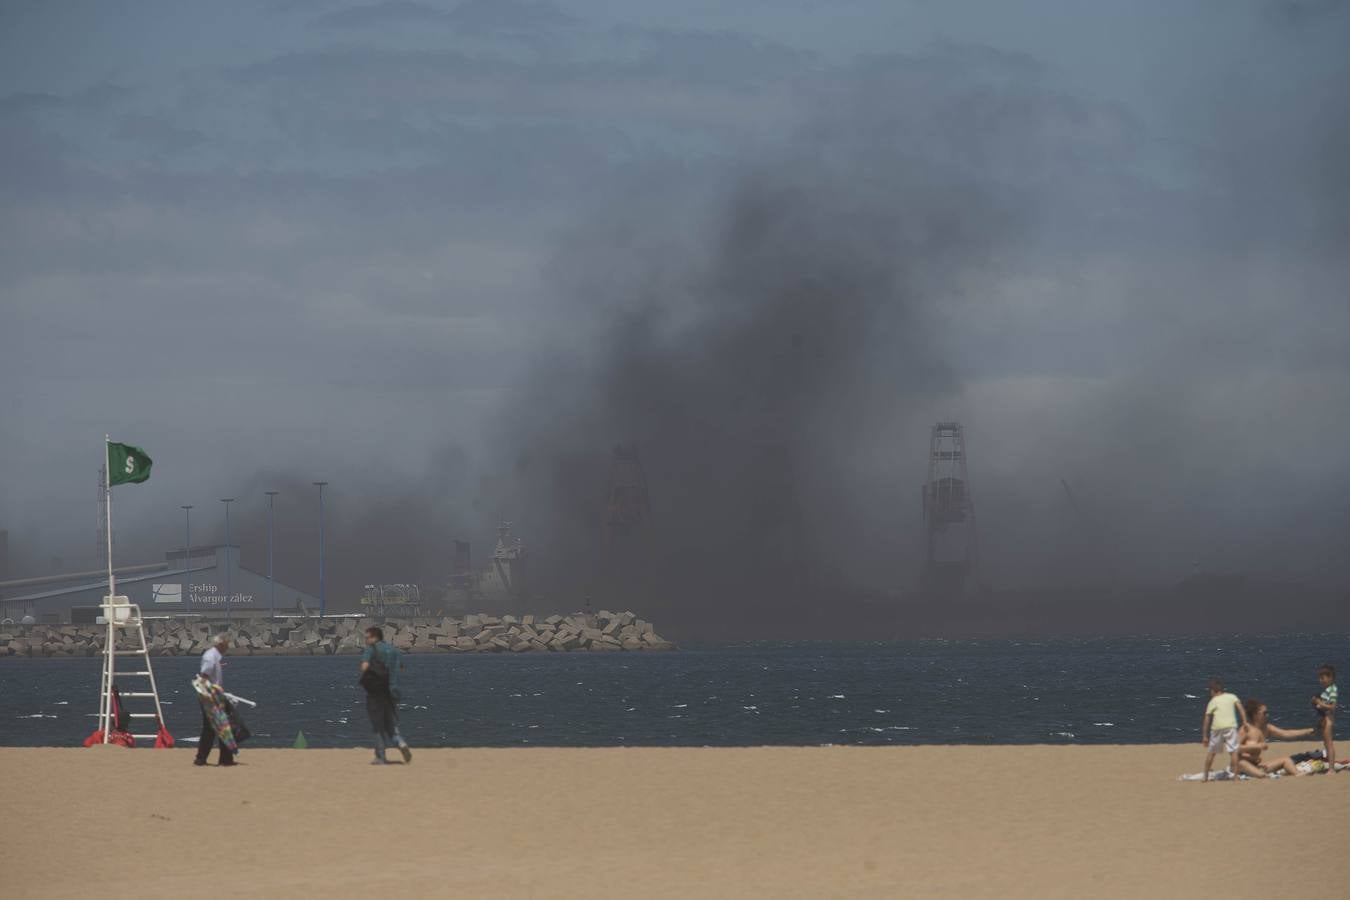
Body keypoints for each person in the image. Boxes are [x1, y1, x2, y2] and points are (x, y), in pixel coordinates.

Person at [360, 626, 411, 765]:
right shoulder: (394, 650)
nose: (366, 640)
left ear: (375, 637)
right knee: (390, 724)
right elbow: (401, 667)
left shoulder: (372, 649)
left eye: (367, 637)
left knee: (377, 726)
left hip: (376, 692)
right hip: (393, 691)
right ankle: (400, 743)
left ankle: (380, 756)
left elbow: (364, 667)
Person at [1235, 698, 1315, 777]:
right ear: (1255, 714)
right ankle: (1262, 775)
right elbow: (1234, 748)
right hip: (1242, 766)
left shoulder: (1267, 728)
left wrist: (1307, 731)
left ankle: (1297, 774)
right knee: (1242, 763)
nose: (1267, 715)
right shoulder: (1245, 729)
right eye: (1264, 713)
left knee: (1286, 760)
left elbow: (1286, 734)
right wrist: (1252, 756)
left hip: (1256, 766)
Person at [194, 633, 235, 767]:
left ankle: (203, 758)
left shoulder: (215, 657)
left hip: (212, 695)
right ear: (220, 644)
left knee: (212, 728)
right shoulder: (211, 657)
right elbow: (204, 677)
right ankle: (223, 759)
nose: (228, 647)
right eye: (226, 644)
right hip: (210, 696)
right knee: (222, 726)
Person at [1201, 677, 1248, 782]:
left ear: (1213, 691)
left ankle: (1205, 777)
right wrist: (1244, 721)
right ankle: (1235, 777)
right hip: (1230, 726)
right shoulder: (1232, 697)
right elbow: (1240, 708)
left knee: (1212, 752)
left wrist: (1205, 736)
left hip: (1217, 728)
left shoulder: (1213, 701)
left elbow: (1207, 718)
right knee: (1233, 752)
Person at [1311, 663, 1337, 769]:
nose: (1320, 681)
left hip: (1328, 719)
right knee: (1326, 744)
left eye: (1323, 678)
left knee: (1329, 744)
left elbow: (1332, 707)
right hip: (1324, 717)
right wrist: (1316, 702)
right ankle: (1329, 764)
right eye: (1319, 678)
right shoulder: (1327, 690)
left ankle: (1331, 769)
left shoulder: (1332, 690)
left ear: (1330, 677)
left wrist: (1319, 703)